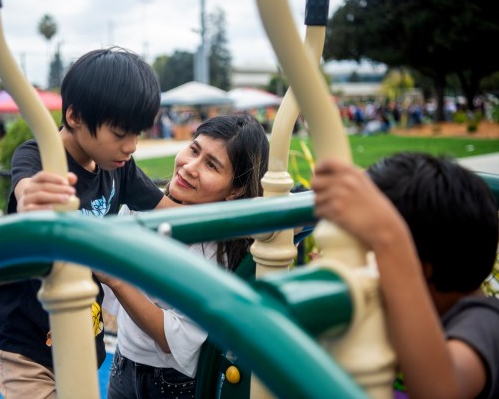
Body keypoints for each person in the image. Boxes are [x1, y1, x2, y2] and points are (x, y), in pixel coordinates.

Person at [0, 47, 179, 399]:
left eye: (138, 133)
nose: (131, 146)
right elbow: (27, 186)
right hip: (27, 342)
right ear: (74, 115)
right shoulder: (40, 155)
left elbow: (170, 211)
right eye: (121, 133)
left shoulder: (118, 171)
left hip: (79, 332)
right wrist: (31, 196)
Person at [98, 114, 270, 399]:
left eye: (211, 165)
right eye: (194, 149)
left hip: (172, 384)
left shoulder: (219, 249)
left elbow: (172, 338)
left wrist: (117, 279)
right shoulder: (140, 207)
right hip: (123, 363)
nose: (190, 167)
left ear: (236, 189)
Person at [311, 152, 499, 399]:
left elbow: (440, 391)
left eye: (369, 252)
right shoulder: (425, 313)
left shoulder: (486, 322)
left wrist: (388, 237)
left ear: (417, 267)